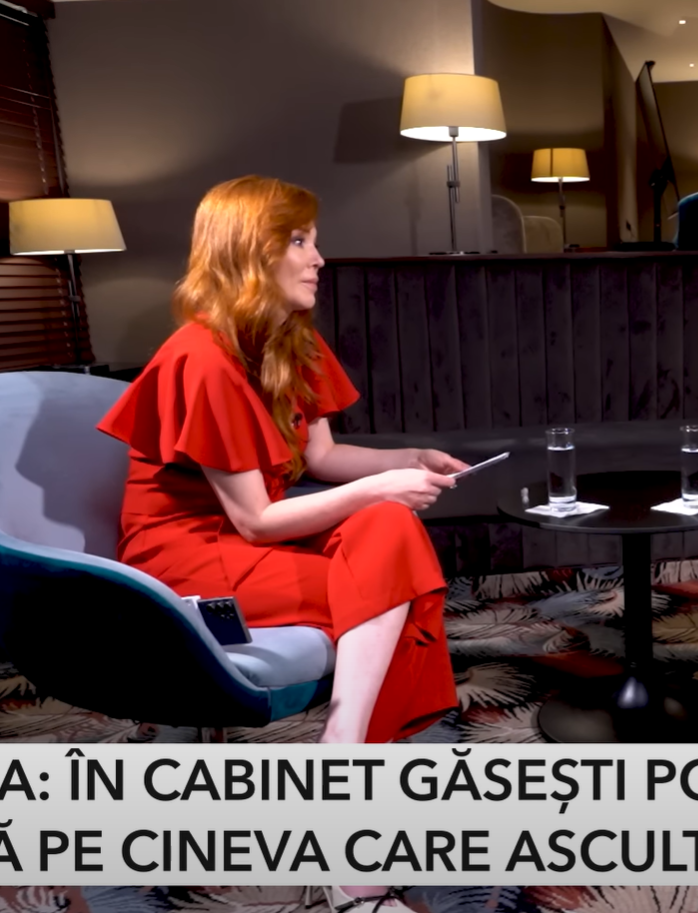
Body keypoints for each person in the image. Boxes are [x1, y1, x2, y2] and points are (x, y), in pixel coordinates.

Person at [98, 175, 461, 911]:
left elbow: (323, 457)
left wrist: (407, 460)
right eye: (299, 241)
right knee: (387, 577)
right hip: (183, 552)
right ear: (248, 253)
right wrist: (378, 489)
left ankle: (343, 748)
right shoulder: (200, 356)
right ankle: (351, 805)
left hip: (247, 536)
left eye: (313, 240)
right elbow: (256, 521)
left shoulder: (291, 338)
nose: (318, 258)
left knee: (390, 527)